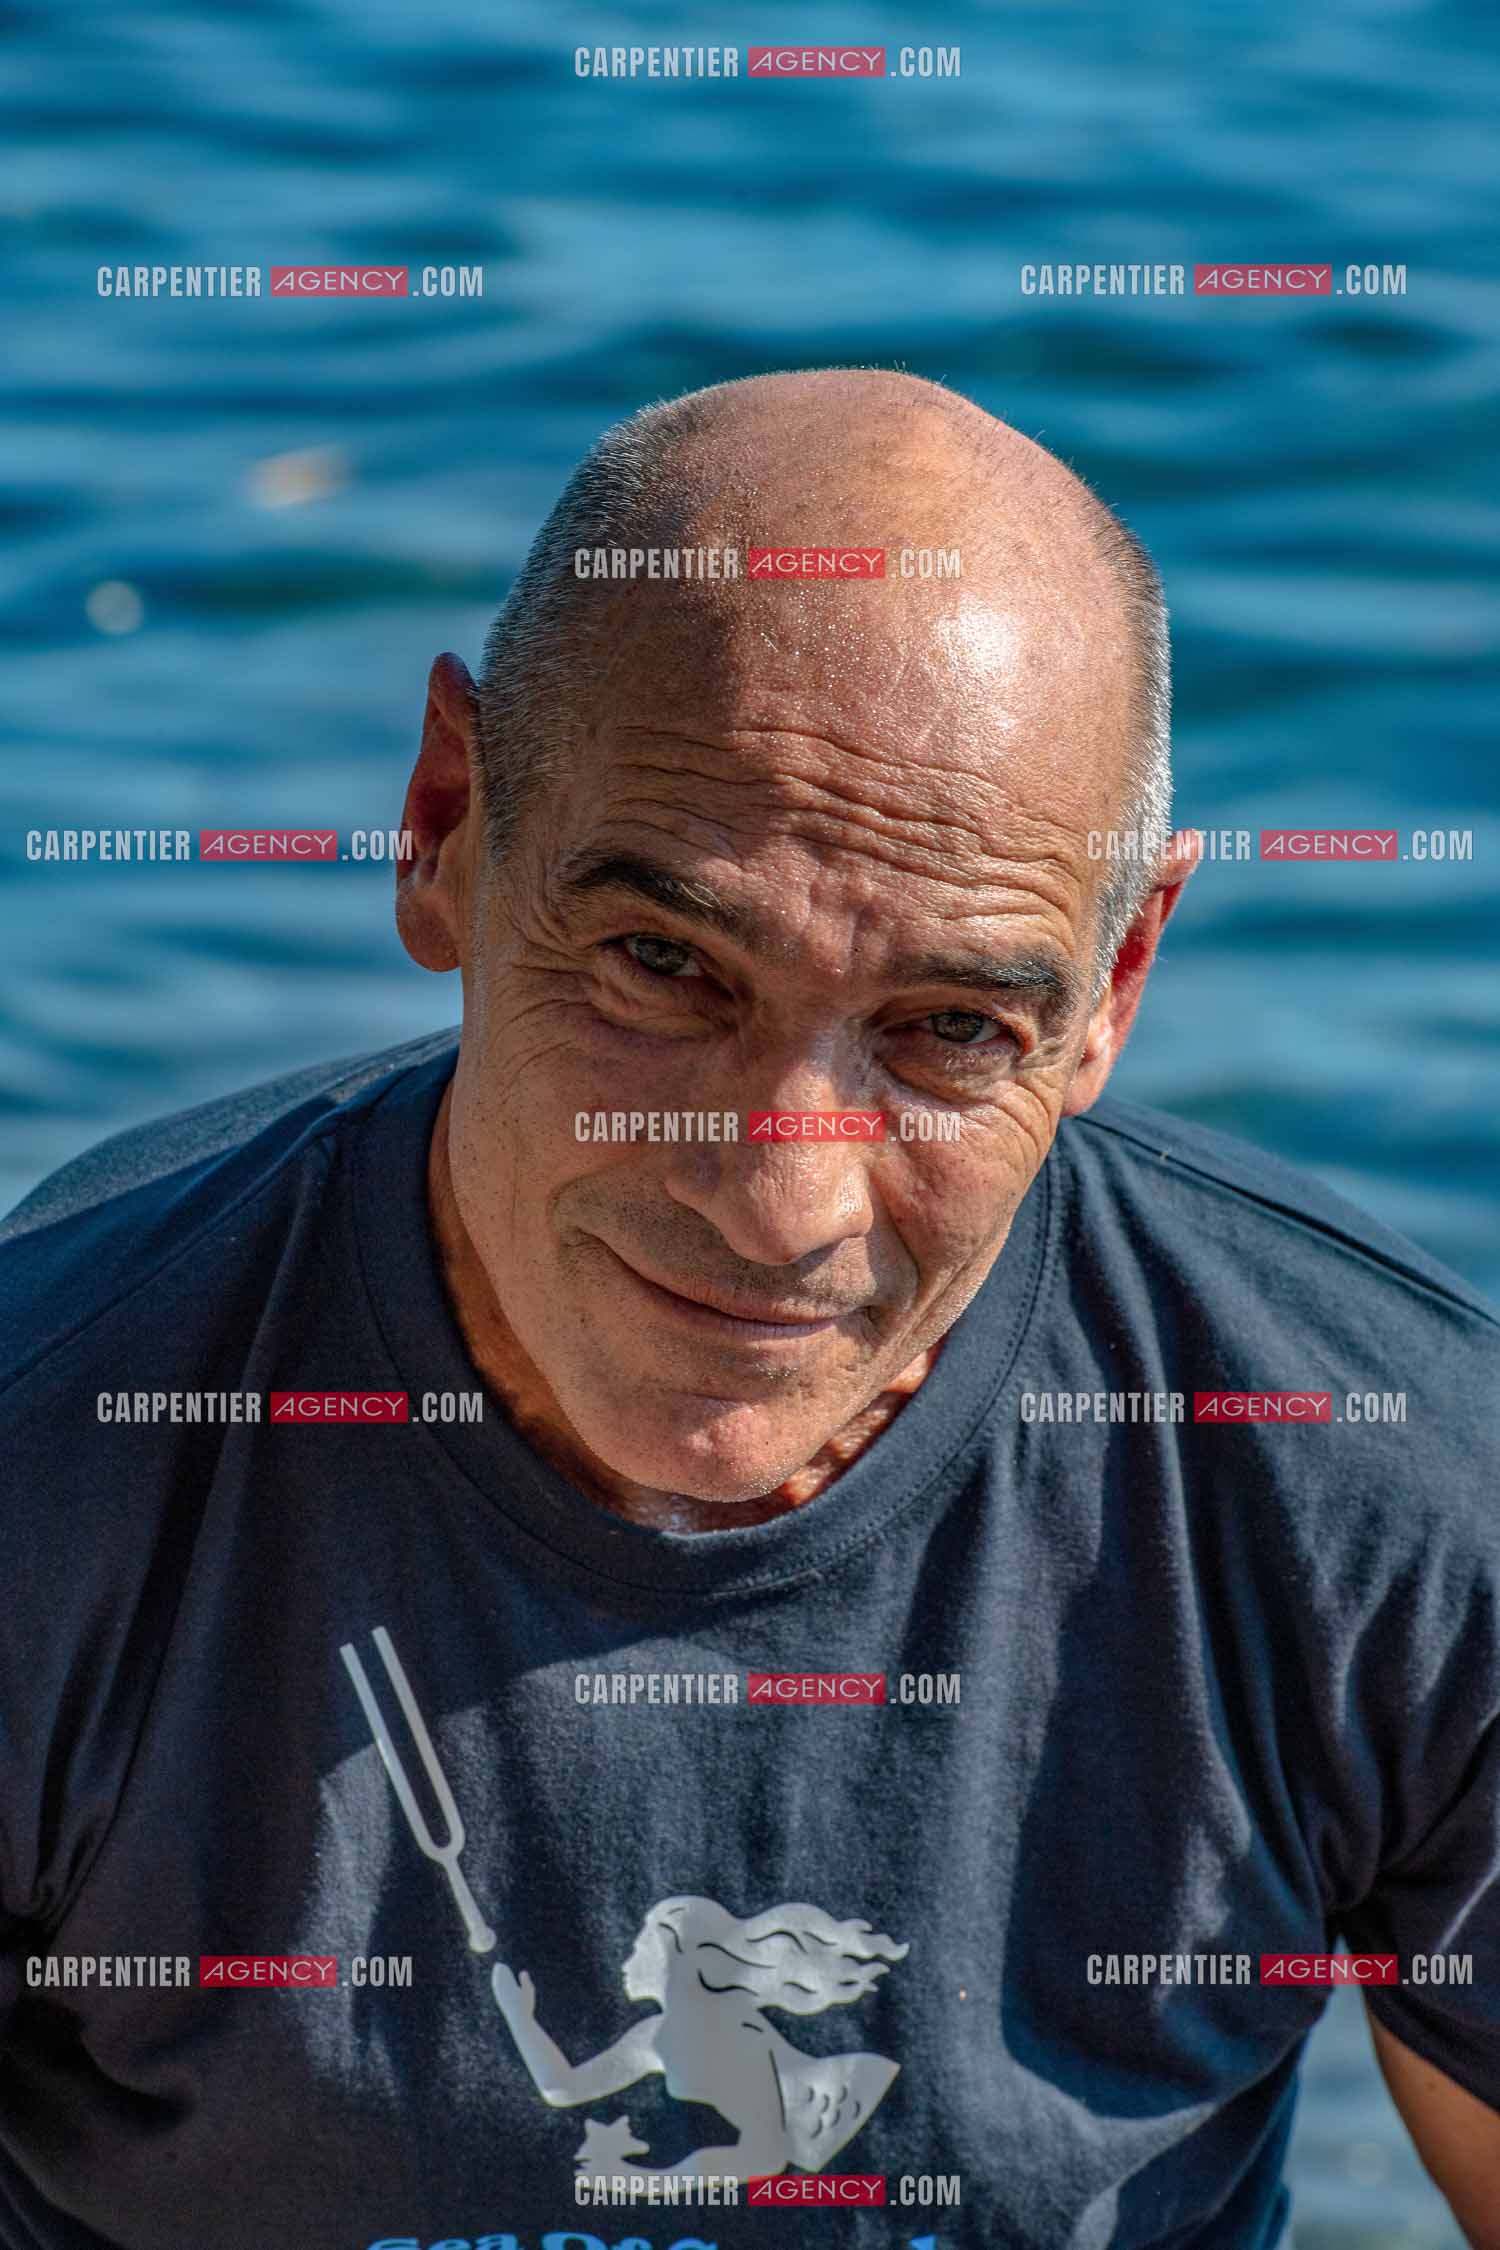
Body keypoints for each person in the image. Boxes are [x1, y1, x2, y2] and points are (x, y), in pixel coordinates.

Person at [0, 369, 1496, 2250]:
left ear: (1117, 981)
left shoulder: (1391, 1500)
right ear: (447, 826)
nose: (781, 1198)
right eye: (662, 963)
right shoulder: (57, 1457)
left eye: (950, 1030)